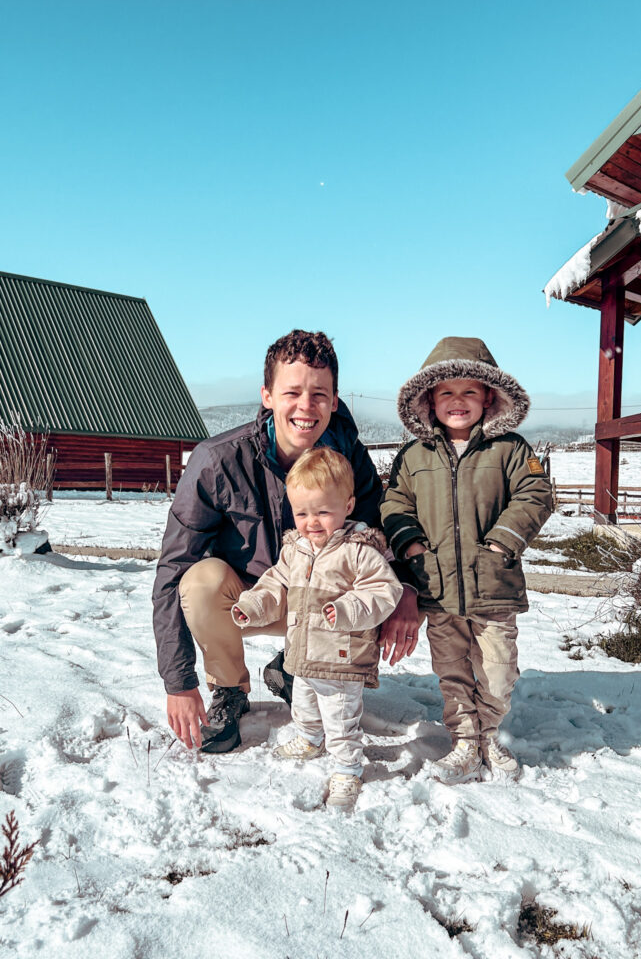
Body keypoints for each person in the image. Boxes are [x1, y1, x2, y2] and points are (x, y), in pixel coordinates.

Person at [152, 329, 420, 754]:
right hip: (256, 596)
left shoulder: (347, 457)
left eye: (319, 394)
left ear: (334, 400)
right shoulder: (218, 461)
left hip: (322, 601)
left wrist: (405, 590)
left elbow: (382, 527)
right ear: (267, 395)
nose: (305, 407)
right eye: (292, 392)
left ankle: (297, 670)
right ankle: (230, 689)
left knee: (369, 578)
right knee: (199, 582)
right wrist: (179, 683)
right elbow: (172, 570)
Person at [381, 337, 553, 784]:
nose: (458, 402)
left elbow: (536, 494)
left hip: (493, 586)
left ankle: (488, 734)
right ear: (429, 400)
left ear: (489, 398)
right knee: (452, 671)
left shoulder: (510, 449)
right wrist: (412, 546)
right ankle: (463, 742)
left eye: (469, 392)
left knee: (497, 671)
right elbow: (394, 503)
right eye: (447, 393)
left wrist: (501, 543)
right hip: (436, 588)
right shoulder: (413, 456)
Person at [231, 447, 402, 808]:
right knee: (304, 705)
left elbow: (385, 591)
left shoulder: (359, 551)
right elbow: (275, 583)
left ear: (349, 505)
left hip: (340, 657)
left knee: (340, 718)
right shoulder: (296, 550)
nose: (311, 522)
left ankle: (347, 769)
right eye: (302, 512)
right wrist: (252, 606)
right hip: (302, 651)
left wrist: (345, 610)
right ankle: (309, 739)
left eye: (323, 512)